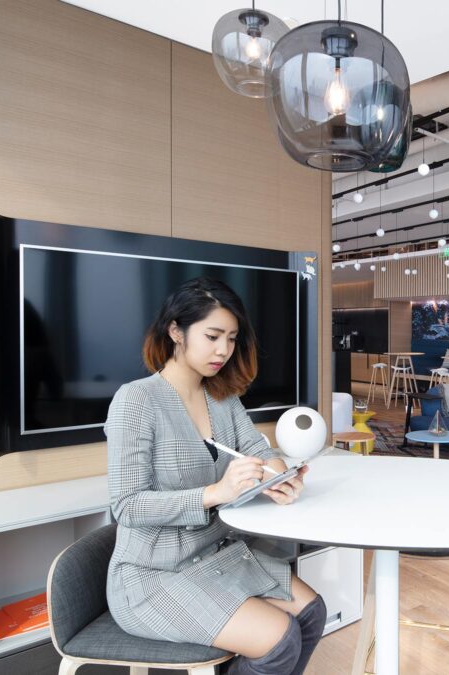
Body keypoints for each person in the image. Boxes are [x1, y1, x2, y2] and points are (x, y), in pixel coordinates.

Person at [104, 277, 326, 675]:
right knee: (279, 641)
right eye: (212, 336)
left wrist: (278, 477)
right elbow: (126, 505)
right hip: (153, 575)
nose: (224, 350)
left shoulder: (222, 396)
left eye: (232, 338)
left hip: (219, 556)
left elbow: (259, 451)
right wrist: (215, 492)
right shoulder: (137, 400)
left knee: (311, 613)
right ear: (176, 331)